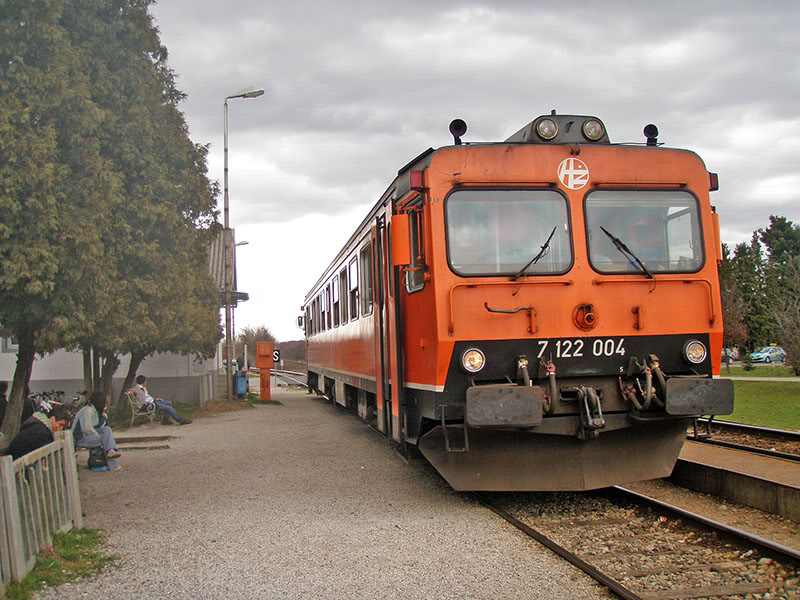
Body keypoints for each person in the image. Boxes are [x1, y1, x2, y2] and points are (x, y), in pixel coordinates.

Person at [71, 392, 121, 471]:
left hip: (88, 436)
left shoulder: (95, 411)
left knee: (107, 429)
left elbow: (100, 427)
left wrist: (104, 417)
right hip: (80, 438)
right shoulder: (88, 410)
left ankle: (111, 451)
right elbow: (87, 429)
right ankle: (113, 465)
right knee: (105, 439)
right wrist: (98, 436)